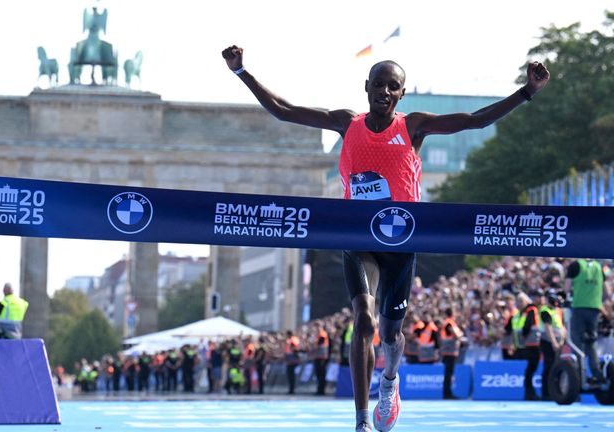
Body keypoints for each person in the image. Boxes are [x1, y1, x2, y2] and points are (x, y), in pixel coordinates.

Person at [221, 44, 549, 432]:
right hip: (357, 237)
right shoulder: (348, 123)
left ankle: (390, 381)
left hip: (400, 244)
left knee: (391, 334)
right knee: (363, 319)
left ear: (401, 94)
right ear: (366, 86)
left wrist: (527, 91)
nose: (385, 92)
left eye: (393, 87)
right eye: (379, 84)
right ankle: (361, 422)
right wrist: (242, 71)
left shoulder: (413, 127)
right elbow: (284, 110)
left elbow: (474, 120)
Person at [565, 258, 605, 383]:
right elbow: (606, 290)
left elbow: (566, 288)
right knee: (591, 342)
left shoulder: (576, 265)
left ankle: (578, 375)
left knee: (577, 342)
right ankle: (596, 372)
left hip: (579, 307)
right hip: (595, 308)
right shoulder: (599, 267)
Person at [508, 291, 541, 400]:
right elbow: (511, 330)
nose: (518, 303)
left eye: (521, 301)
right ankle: (529, 393)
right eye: (517, 301)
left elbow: (527, 326)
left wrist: (522, 337)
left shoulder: (531, 310)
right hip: (523, 346)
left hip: (533, 344)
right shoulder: (517, 315)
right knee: (529, 371)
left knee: (530, 370)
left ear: (527, 301)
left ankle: (531, 393)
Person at [539, 289, 565, 401]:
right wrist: (554, 342)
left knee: (556, 367)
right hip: (548, 342)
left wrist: (562, 340)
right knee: (549, 367)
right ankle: (546, 393)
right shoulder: (545, 311)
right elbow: (548, 328)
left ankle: (555, 391)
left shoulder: (555, 312)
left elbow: (561, 327)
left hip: (557, 342)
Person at [439, 308, 464, 400]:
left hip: (449, 351)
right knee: (448, 373)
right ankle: (447, 393)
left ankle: (447, 393)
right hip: (449, 351)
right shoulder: (450, 323)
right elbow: (456, 335)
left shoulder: (449, 323)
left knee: (448, 373)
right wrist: (461, 334)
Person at [313, 321, 331, 395]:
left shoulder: (322, 334)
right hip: (318, 356)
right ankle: (319, 389)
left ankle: (321, 390)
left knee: (321, 374)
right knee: (319, 374)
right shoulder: (318, 334)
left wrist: (313, 347)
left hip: (322, 356)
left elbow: (319, 344)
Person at [285, 329, 301, 395]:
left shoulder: (292, 339)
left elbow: (294, 349)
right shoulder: (293, 339)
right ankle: (291, 389)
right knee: (291, 375)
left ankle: (292, 390)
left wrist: (298, 358)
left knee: (292, 376)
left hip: (293, 359)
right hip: (291, 359)